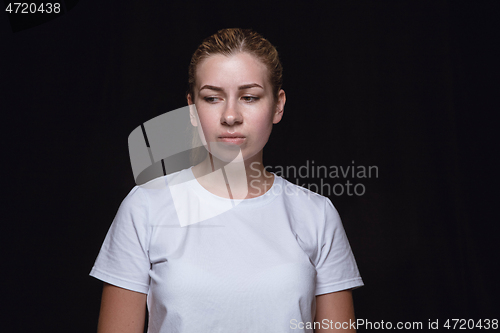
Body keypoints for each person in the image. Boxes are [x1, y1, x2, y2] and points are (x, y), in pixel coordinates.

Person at [90, 28, 363, 333]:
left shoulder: (316, 214)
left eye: (249, 97)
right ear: (192, 109)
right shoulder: (146, 206)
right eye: (212, 98)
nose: (230, 116)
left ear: (278, 105)